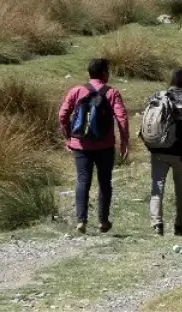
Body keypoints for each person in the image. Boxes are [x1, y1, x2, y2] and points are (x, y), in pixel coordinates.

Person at [57, 58, 130, 235]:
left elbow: (62, 115)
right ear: (104, 73)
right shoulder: (112, 92)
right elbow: (122, 118)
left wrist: (68, 137)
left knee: (83, 180)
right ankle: (103, 221)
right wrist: (125, 141)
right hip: (105, 145)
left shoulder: (76, 91)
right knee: (104, 182)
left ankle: (81, 221)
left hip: (80, 145)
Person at [141, 68, 182, 237]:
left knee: (157, 185)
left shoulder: (156, 97)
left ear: (172, 80)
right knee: (181, 189)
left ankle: (157, 223)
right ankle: (180, 225)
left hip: (158, 150)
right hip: (180, 153)